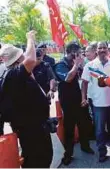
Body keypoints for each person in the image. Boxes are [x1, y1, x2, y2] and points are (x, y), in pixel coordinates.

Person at [0, 31, 53, 167]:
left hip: (37, 126)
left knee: (44, 157)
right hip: (30, 129)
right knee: (36, 160)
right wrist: (30, 39)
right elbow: (30, 60)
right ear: (18, 59)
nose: (26, 54)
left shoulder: (19, 74)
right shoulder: (13, 74)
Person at [53, 42, 94, 165]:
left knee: (84, 124)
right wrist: (76, 65)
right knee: (69, 129)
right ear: (71, 53)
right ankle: (68, 154)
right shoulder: (60, 65)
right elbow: (68, 78)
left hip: (80, 99)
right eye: (77, 53)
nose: (80, 56)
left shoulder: (78, 64)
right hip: (68, 103)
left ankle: (85, 146)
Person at [81, 42, 110, 163]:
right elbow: (84, 83)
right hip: (98, 104)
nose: (102, 50)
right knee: (100, 130)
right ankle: (102, 153)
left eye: (104, 48)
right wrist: (83, 98)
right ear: (96, 50)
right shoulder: (90, 65)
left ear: (107, 50)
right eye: (100, 48)